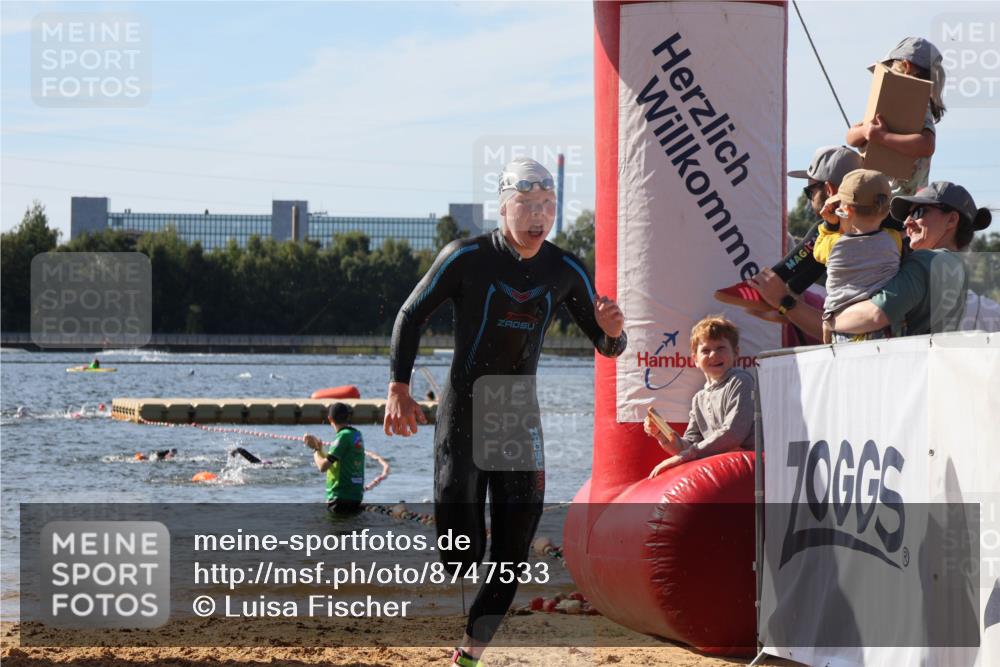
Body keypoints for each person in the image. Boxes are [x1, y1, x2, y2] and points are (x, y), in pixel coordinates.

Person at [383, 156, 627, 666]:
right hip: (464, 410)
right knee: (461, 553)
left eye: (548, 205)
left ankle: (470, 652)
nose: (539, 216)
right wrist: (398, 387)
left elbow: (607, 347)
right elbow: (410, 314)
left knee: (514, 546)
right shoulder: (465, 257)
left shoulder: (565, 269)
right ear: (503, 207)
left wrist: (614, 331)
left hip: (516, 413)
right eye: (527, 204)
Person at [752, 182, 992, 338]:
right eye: (907, 214)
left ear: (952, 220)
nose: (907, 222)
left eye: (919, 212)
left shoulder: (926, 262)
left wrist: (786, 302)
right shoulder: (955, 269)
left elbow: (872, 317)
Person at [715, 145, 862, 310]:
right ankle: (784, 288)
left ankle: (771, 286)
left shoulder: (847, 234)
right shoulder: (869, 224)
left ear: (829, 190)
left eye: (810, 192)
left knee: (823, 232)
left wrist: (786, 304)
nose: (810, 199)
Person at [644, 316, 754, 478]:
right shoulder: (699, 398)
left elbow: (733, 434)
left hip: (747, 466)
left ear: (736, 352)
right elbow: (688, 445)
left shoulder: (741, 381)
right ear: (695, 359)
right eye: (706, 350)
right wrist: (661, 434)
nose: (713, 355)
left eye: (720, 348)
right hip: (721, 468)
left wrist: (686, 455)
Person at [845, 36, 946, 198]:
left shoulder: (920, 107)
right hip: (879, 197)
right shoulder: (886, 106)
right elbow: (850, 137)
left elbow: (926, 145)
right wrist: (865, 131)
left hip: (902, 201)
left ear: (906, 66)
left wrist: (882, 137)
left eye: (890, 68)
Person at [812, 169, 902, 343]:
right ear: (886, 211)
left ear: (845, 210)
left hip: (845, 324)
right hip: (884, 324)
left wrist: (828, 226)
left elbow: (817, 252)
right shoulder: (893, 239)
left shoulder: (834, 244)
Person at [304, 402, 365, 515]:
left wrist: (315, 449)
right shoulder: (357, 435)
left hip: (340, 498)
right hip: (355, 497)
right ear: (348, 417)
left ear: (330, 419)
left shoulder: (343, 436)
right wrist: (320, 449)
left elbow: (323, 466)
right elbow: (335, 462)